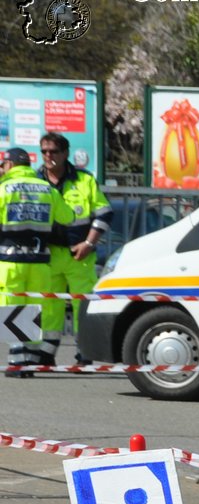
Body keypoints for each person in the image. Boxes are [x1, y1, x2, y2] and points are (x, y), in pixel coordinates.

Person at [37, 131, 111, 362]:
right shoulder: (34, 180)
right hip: (47, 255)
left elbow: (105, 213)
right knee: (48, 304)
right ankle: (44, 353)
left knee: (82, 305)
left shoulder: (84, 180)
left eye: (54, 151)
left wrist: (89, 243)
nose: (49, 156)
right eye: (44, 151)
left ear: (65, 153)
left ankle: (85, 353)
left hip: (79, 254)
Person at [1, 147, 72, 377]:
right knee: (33, 307)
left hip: (11, 259)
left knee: (12, 305)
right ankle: (30, 362)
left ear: (10, 165)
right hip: (40, 259)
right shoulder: (47, 188)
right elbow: (67, 217)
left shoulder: (4, 189)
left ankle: (17, 360)